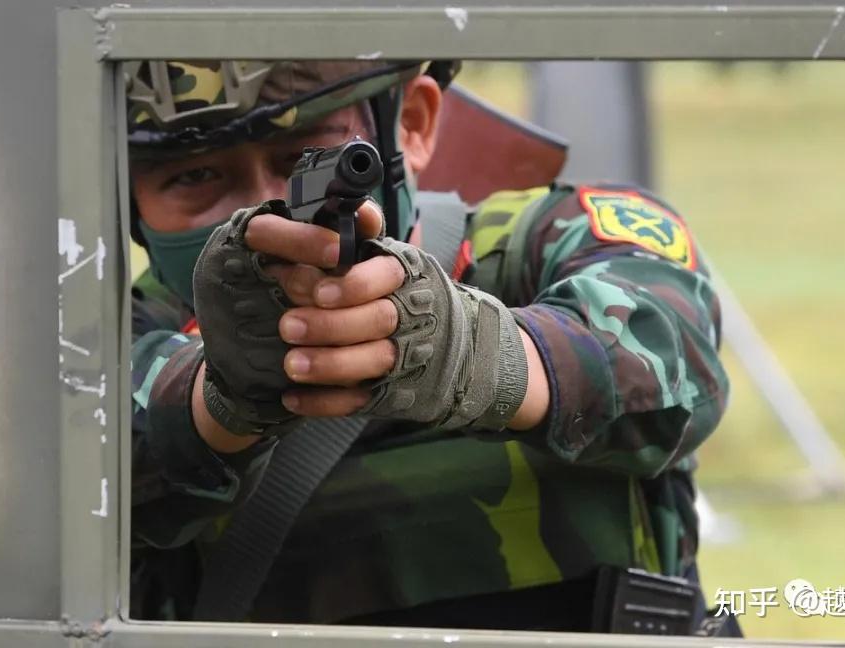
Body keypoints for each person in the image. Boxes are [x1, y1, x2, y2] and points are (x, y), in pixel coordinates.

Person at [127, 59, 730, 633]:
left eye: (302, 158)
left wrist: (472, 351)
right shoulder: (109, 328)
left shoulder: (547, 239)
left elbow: (671, 355)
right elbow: (84, 464)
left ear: (411, 121)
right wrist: (226, 396)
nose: (262, 208)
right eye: (195, 175)